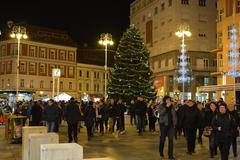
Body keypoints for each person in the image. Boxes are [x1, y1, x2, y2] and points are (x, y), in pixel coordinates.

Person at [157, 96, 176, 160]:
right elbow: (160, 113)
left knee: (171, 140)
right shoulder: (161, 106)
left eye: (169, 99)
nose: (168, 101)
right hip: (163, 125)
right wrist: (166, 107)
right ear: (164, 100)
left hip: (171, 125)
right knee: (162, 139)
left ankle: (170, 155)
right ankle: (161, 152)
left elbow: (174, 115)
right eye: (167, 100)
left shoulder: (172, 106)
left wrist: (175, 123)